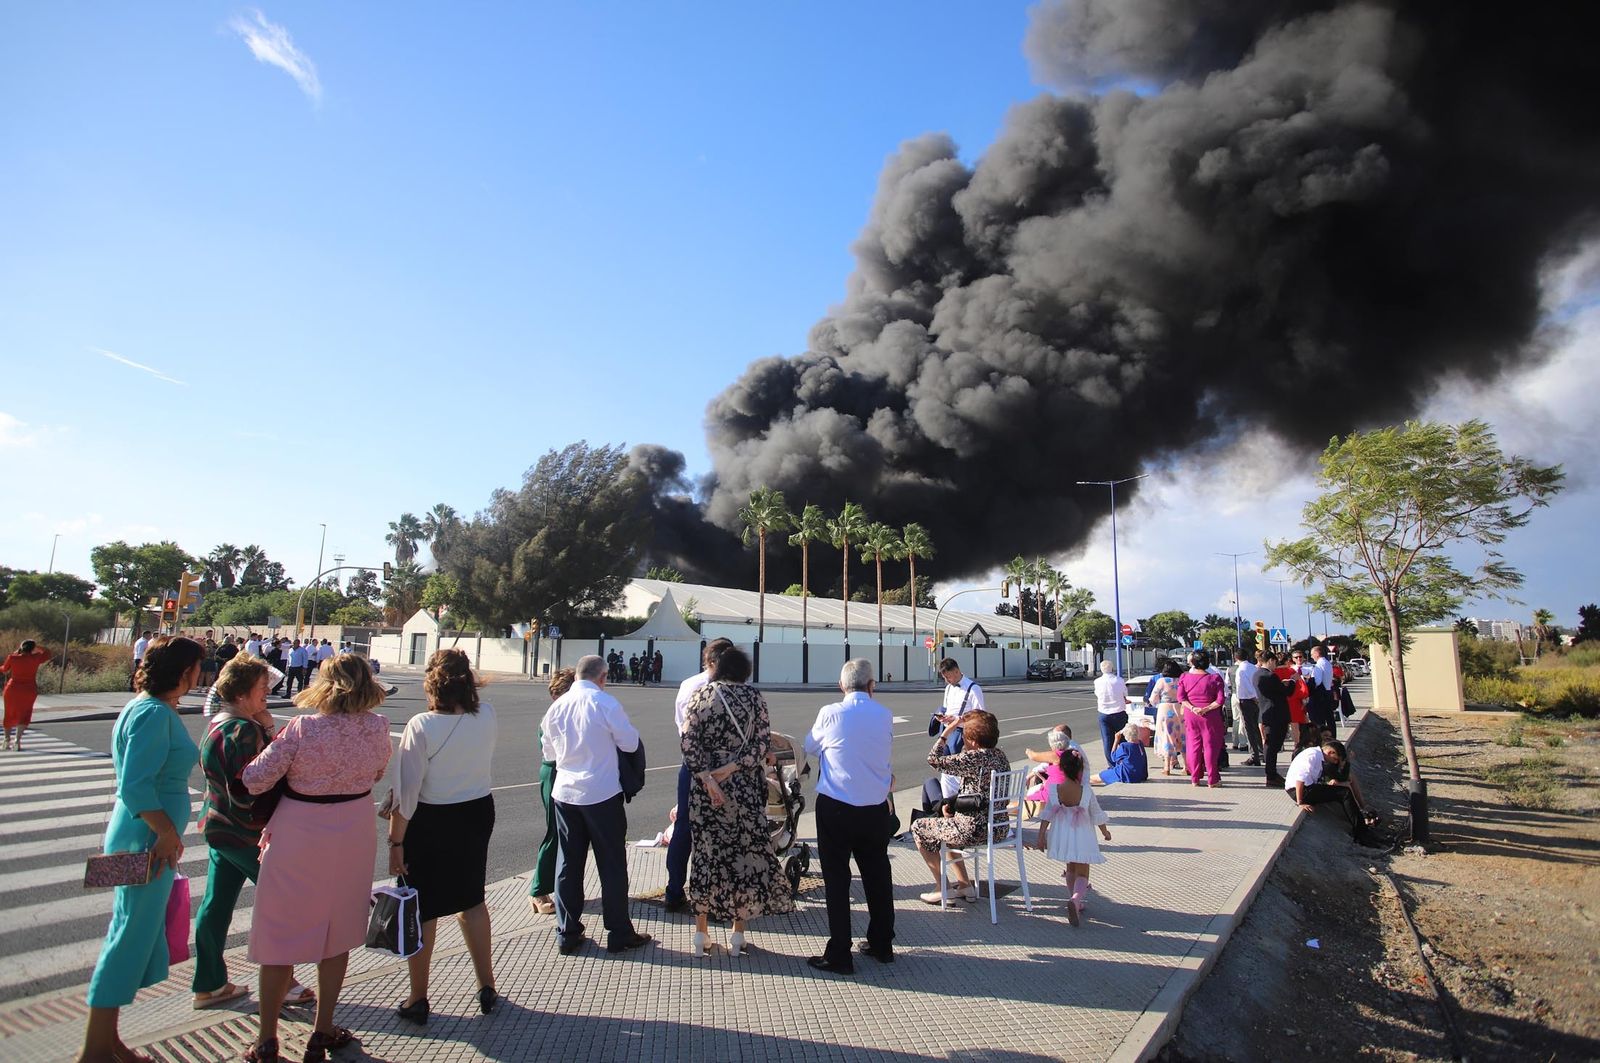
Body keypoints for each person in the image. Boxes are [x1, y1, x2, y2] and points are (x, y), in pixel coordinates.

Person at [241, 655, 393, 1063]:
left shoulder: (303, 728)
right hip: (354, 827)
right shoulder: (378, 727)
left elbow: (255, 779)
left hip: (300, 828)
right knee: (339, 929)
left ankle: (267, 1039)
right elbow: (378, 771)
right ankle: (323, 1028)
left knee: (280, 932)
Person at [79, 636, 203, 1063]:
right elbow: (135, 784)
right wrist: (167, 833)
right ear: (185, 671)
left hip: (142, 833)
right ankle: (96, 1047)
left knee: (129, 928)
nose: (200, 675)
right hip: (146, 838)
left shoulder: (146, 706)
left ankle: (109, 1040)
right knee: (128, 935)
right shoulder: (152, 712)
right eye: (197, 667)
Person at [191, 654, 315, 1011]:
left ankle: (209, 982)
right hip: (247, 832)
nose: (267, 693)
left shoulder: (219, 722)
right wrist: (268, 731)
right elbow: (254, 782)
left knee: (216, 905)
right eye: (262, 689)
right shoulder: (243, 730)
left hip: (218, 825)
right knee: (283, 903)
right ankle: (285, 983)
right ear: (243, 693)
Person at [387, 649, 499, 1025]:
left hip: (432, 819)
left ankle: (418, 996)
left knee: (425, 907)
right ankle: (487, 983)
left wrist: (395, 842)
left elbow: (407, 794)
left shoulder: (421, 725)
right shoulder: (487, 715)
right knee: (472, 900)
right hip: (476, 811)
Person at [681, 647, 794, 957]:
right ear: (745, 670)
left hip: (706, 791)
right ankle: (736, 935)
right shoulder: (755, 698)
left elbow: (688, 742)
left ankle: (700, 933)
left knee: (706, 855)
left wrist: (708, 778)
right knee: (742, 857)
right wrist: (731, 768)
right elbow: (761, 745)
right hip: (744, 786)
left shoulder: (700, 696)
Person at [540, 655, 651, 956]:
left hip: (565, 793)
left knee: (568, 864)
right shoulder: (605, 704)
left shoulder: (555, 708)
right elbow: (629, 743)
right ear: (602, 677)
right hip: (601, 793)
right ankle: (618, 932)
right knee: (612, 864)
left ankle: (567, 932)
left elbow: (548, 752)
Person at [803, 658, 895, 974]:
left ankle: (840, 952)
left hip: (836, 805)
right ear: (872, 686)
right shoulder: (884, 714)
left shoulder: (831, 713)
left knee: (837, 880)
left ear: (842, 685)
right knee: (878, 875)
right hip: (874, 807)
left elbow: (809, 746)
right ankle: (883, 944)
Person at [664, 638, 734, 913]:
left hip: (692, 765)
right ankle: (717, 896)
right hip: (723, 768)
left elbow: (681, 725)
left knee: (684, 826)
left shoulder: (688, 685)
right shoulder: (732, 689)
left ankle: (674, 890)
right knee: (721, 830)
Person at [912, 710, 1009, 905]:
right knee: (947, 825)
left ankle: (943, 888)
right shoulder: (1000, 756)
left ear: (972, 740)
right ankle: (965, 885)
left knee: (919, 827)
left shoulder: (973, 758)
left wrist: (946, 732)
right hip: (998, 827)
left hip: (973, 830)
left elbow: (934, 759)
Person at [1043, 748, 1112, 927]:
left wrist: (1041, 836)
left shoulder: (1055, 789)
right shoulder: (1086, 791)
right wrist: (1105, 832)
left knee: (1070, 867)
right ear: (1081, 769)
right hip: (1082, 834)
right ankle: (1076, 899)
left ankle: (1074, 899)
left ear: (1062, 769)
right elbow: (1096, 814)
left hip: (1063, 835)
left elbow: (1047, 813)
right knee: (1083, 871)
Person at [528, 667, 576, 917]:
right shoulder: (556, 714)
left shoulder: (559, 711)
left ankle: (554, 887)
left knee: (564, 834)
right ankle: (538, 890)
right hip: (555, 771)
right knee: (554, 833)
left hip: (558, 771)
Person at [1284, 740, 1380, 844]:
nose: (1334, 763)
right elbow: (1300, 779)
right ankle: (1361, 833)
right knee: (1344, 793)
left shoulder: (1317, 755)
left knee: (1341, 792)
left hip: (1307, 788)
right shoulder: (1312, 756)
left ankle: (1362, 823)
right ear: (1330, 752)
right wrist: (1300, 802)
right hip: (1301, 791)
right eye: (1335, 759)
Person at [928, 658, 986, 806]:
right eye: (945, 678)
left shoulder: (973, 689)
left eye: (949, 677)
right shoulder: (948, 688)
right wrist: (944, 718)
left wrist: (959, 720)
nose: (947, 680)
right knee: (944, 768)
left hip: (961, 734)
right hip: (947, 730)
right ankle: (948, 803)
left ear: (956, 671)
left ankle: (958, 802)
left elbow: (981, 717)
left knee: (959, 770)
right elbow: (947, 707)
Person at [1022, 726, 1081, 851]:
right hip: (1070, 791)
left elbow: (1034, 756)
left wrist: (1028, 751)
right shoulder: (1073, 754)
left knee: (1024, 802)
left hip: (1052, 792)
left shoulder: (1056, 755)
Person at [1177, 650, 1227, 788]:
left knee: (1193, 746)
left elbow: (1181, 698)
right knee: (1210, 746)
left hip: (1191, 715)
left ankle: (1195, 778)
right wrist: (1206, 708)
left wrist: (1193, 708)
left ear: (1193, 662)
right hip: (1210, 716)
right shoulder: (1215, 678)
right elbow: (1220, 700)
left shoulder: (1184, 677)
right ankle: (1213, 779)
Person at [2, 639, 53, 751]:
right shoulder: (36, 658)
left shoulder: (13, 657)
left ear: (21, 647)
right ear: (33, 648)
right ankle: (17, 741)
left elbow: (4, 669)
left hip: (12, 689)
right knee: (25, 714)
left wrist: (16, 653)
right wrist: (37, 646)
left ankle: (6, 740)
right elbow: (48, 652)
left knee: (9, 713)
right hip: (29, 689)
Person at [1255, 651, 1293, 787]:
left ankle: (1271, 773)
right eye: (1275, 662)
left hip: (1266, 713)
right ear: (1270, 660)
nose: (1276, 665)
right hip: (1276, 714)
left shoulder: (1257, 674)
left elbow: (1273, 690)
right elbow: (1286, 692)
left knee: (1270, 744)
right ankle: (1271, 775)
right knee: (1273, 746)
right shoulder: (1270, 676)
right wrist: (1293, 681)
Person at [1149, 660, 1183, 775]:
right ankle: (1187, 766)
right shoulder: (1181, 680)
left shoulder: (1161, 681)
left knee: (1166, 736)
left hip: (1165, 709)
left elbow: (1153, 698)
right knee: (1182, 736)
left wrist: (1159, 704)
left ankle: (1166, 767)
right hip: (1180, 708)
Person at [1092, 660, 1129, 765]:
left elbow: (1098, 694)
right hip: (1119, 712)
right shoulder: (1119, 680)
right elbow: (1125, 693)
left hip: (1104, 713)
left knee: (1107, 741)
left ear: (1101, 669)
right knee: (1123, 739)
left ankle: (1112, 764)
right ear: (1112, 668)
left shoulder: (1097, 682)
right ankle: (1124, 761)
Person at [1093, 721, 1149, 786]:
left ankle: (1082, 781)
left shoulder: (1124, 746)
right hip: (1139, 775)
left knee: (1097, 777)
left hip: (1126, 774)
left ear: (1125, 735)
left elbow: (1113, 757)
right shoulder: (1140, 744)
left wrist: (1116, 740)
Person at [1233, 648, 1263, 765]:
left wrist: (1252, 697)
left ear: (1236, 658)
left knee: (1249, 728)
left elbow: (1243, 685)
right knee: (1256, 727)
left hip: (1247, 700)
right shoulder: (1253, 667)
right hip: (1256, 700)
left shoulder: (1241, 669)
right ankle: (1261, 752)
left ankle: (1254, 755)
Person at [1308, 644, 1337, 738]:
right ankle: (1332, 737)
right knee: (1330, 719)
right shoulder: (1327, 663)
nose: (1311, 656)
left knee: (1319, 720)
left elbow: (1317, 681)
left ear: (1316, 653)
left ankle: (1322, 739)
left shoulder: (1318, 665)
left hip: (1320, 696)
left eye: (1312, 654)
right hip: (1328, 693)